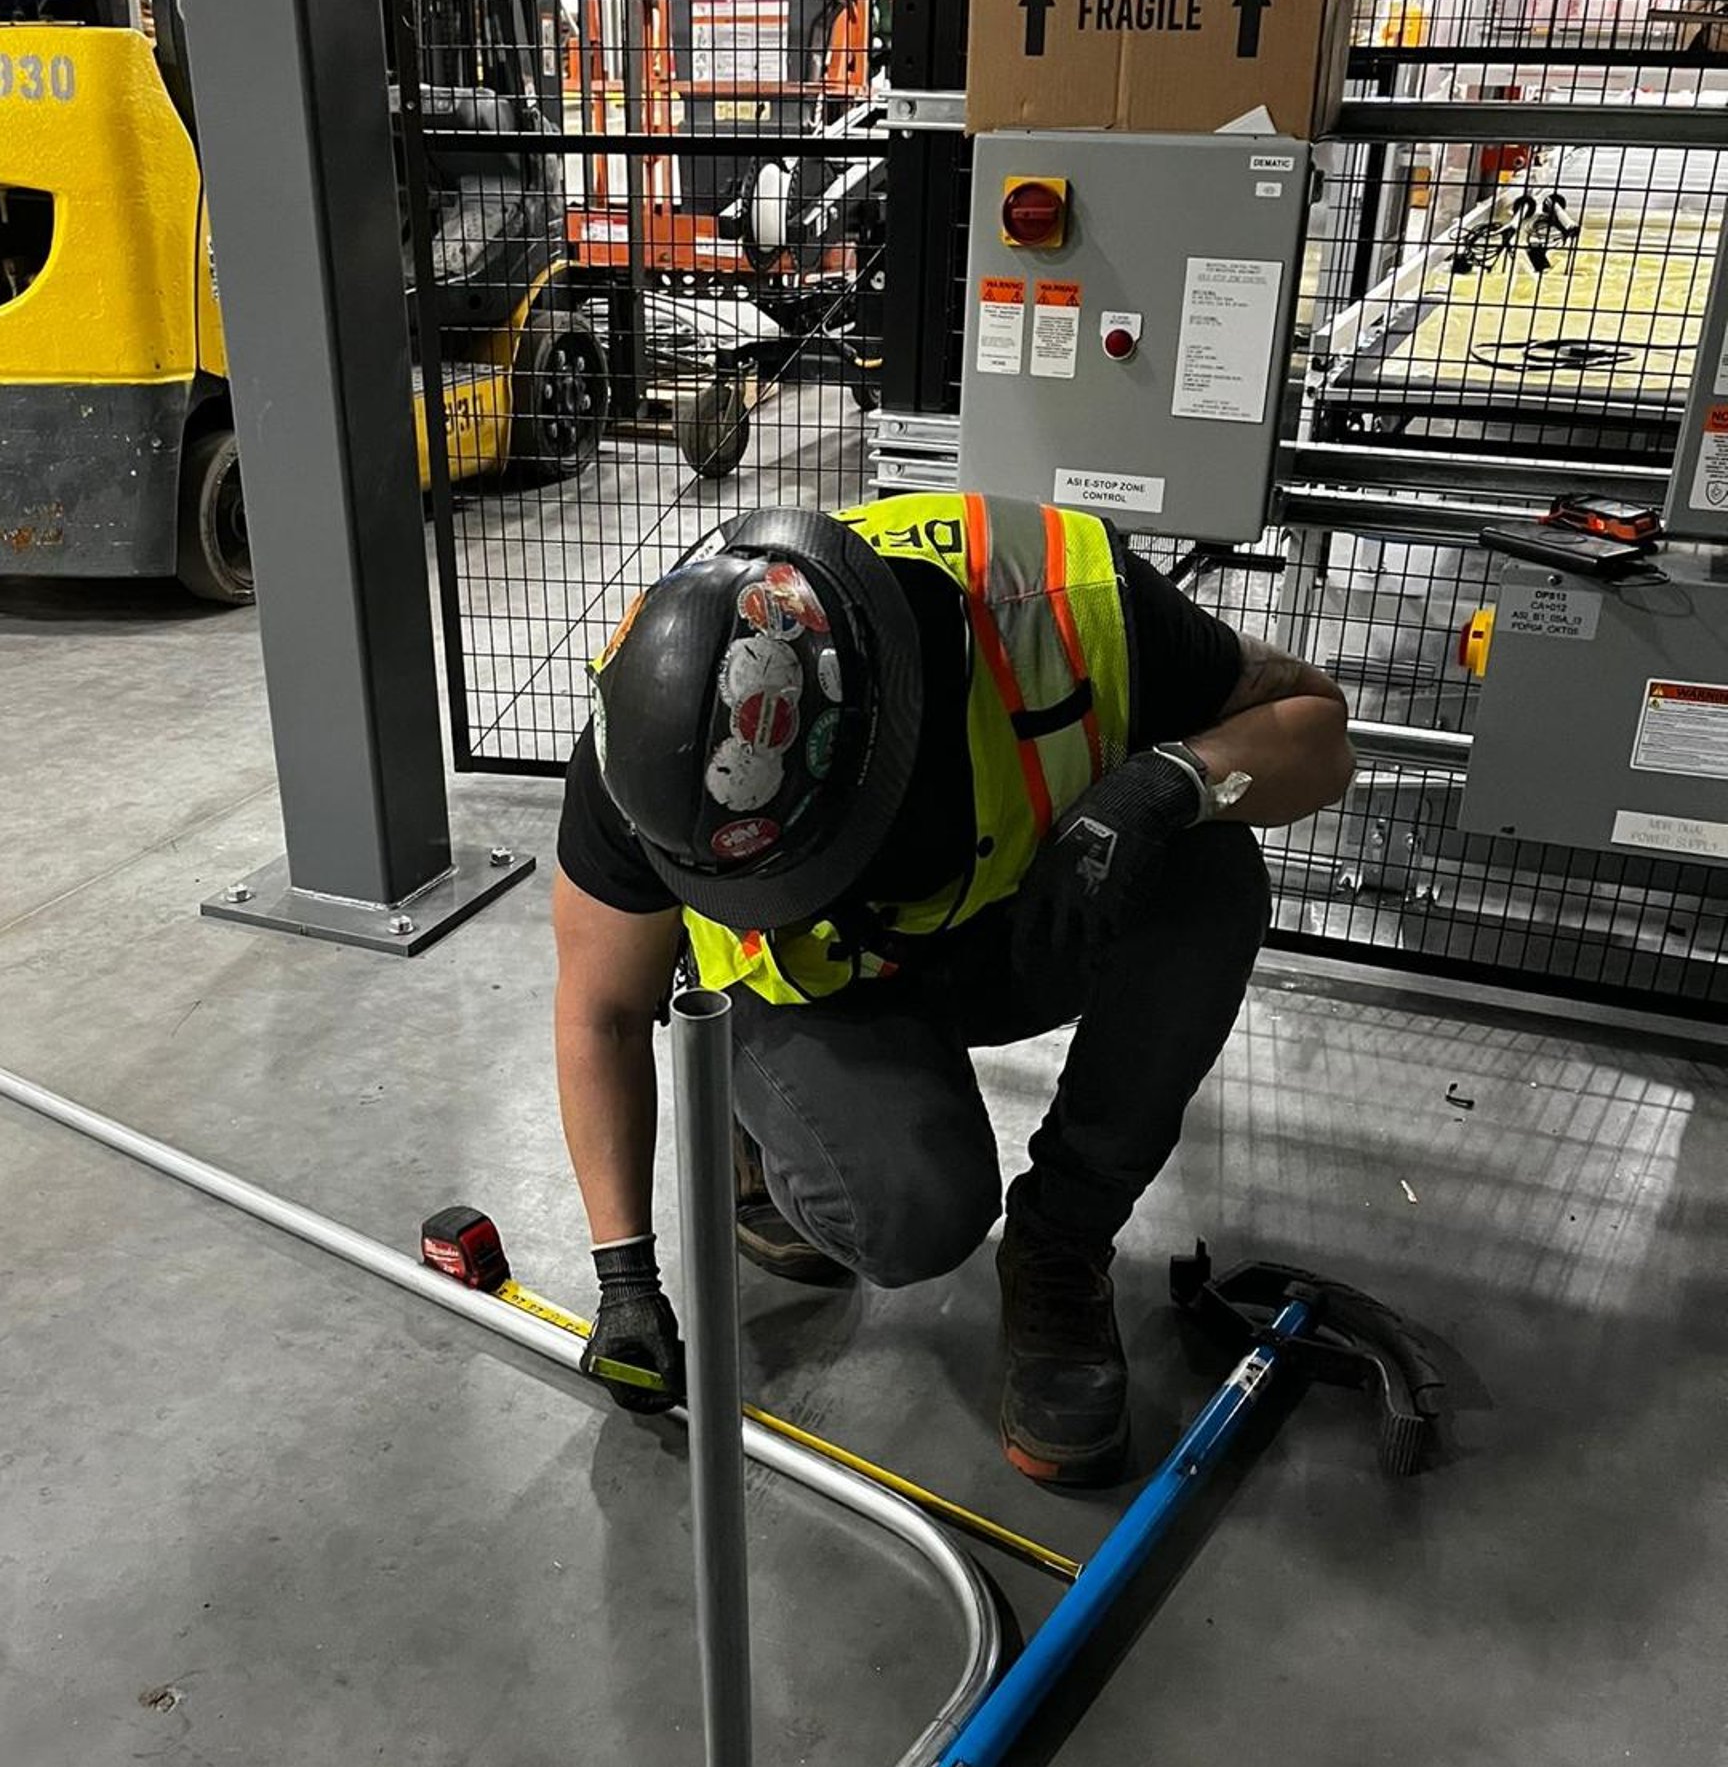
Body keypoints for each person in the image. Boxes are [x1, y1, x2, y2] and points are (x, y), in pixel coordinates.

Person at [553, 494, 1352, 1488]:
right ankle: (765, 1130)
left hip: (1021, 917)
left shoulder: (1067, 605)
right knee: (911, 1215)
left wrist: (1169, 783)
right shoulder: (651, 743)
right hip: (812, 984)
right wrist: (622, 1274)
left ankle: (1062, 1243)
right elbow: (606, 1008)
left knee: (1210, 874)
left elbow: (1318, 731)